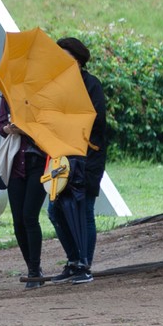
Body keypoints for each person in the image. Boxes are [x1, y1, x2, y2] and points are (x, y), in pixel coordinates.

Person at [48, 37, 107, 284]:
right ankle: (74, 261)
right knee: (55, 210)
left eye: (66, 57)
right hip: (63, 157)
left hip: (88, 157)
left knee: (84, 210)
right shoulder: (56, 87)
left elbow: (97, 120)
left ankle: (85, 264)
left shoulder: (92, 85)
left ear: (78, 60)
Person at [0, 98, 48, 290]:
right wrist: (9, 128)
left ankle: (34, 271)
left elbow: (49, 126)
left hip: (38, 161)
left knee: (29, 217)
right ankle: (33, 268)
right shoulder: (8, 96)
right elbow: (0, 126)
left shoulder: (40, 95)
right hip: (15, 164)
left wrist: (26, 129)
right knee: (18, 220)